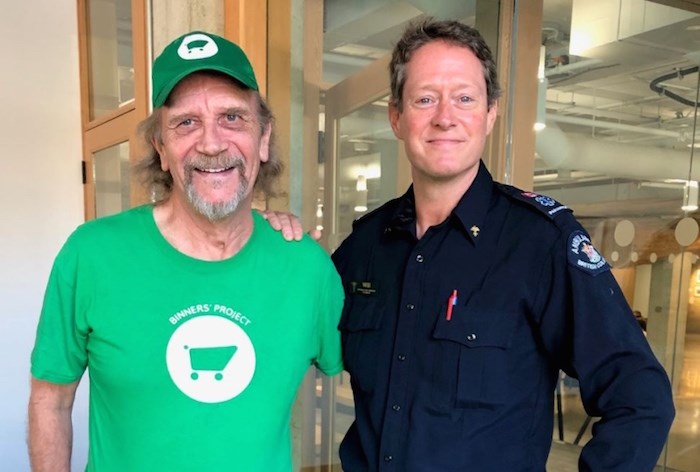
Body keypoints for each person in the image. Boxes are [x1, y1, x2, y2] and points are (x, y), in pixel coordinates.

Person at [330, 18, 674, 471]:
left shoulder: (541, 243)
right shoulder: (364, 248)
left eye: (465, 98)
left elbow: (640, 397)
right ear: (396, 116)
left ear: (490, 113)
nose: (445, 116)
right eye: (425, 98)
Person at [28, 31, 343, 472]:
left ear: (264, 137)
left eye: (233, 117)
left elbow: (376, 384)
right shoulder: (91, 255)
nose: (212, 144)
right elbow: (50, 399)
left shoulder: (307, 268)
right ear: (160, 147)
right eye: (186, 123)